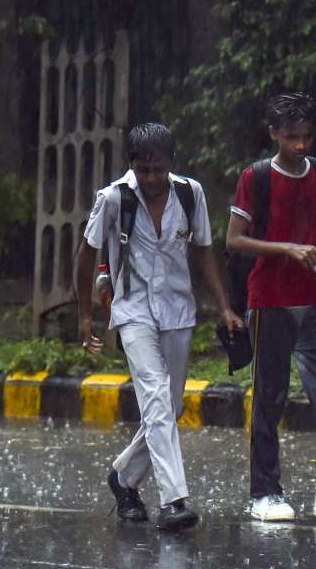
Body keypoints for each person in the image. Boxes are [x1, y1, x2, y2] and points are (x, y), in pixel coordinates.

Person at [77, 122, 244, 532]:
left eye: (158, 168)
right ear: (131, 164)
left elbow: (204, 252)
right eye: (143, 168)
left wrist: (224, 307)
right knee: (154, 399)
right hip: (132, 310)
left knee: (167, 407)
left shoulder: (190, 193)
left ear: (172, 162)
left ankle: (123, 478)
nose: (150, 178)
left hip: (177, 310)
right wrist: (84, 314)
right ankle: (175, 500)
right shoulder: (114, 198)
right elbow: (85, 254)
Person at [225, 91, 316, 524]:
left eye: (306, 136)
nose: (300, 145)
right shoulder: (257, 177)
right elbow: (233, 240)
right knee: (269, 396)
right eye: (291, 138)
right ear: (273, 134)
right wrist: (286, 248)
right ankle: (264, 493)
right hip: (270, 300)